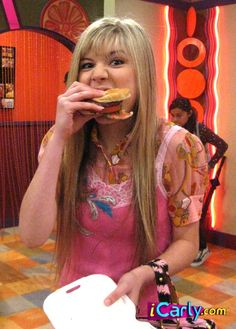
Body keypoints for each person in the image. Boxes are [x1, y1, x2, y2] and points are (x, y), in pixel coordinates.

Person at [19, 17, 208, 320]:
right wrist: (60, 138)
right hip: (78, 307)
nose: (98, 75)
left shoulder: (179, 146)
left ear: (142, 75)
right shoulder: (60, 141)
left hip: (146, 305)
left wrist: (144, 274)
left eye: (116, 61)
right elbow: (31, 235)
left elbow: (187, 242)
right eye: (87, 64)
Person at [169, 97, 228, 267]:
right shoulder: (173, 130)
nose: (174, 119)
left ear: (189, 114)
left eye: (178, 115)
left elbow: (222, 145)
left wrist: (210, 165)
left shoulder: (199, 129)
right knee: (182, 211)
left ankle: (202, 248)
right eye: (172, 115)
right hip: (179, 176)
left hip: (196, 178)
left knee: (194, 212)